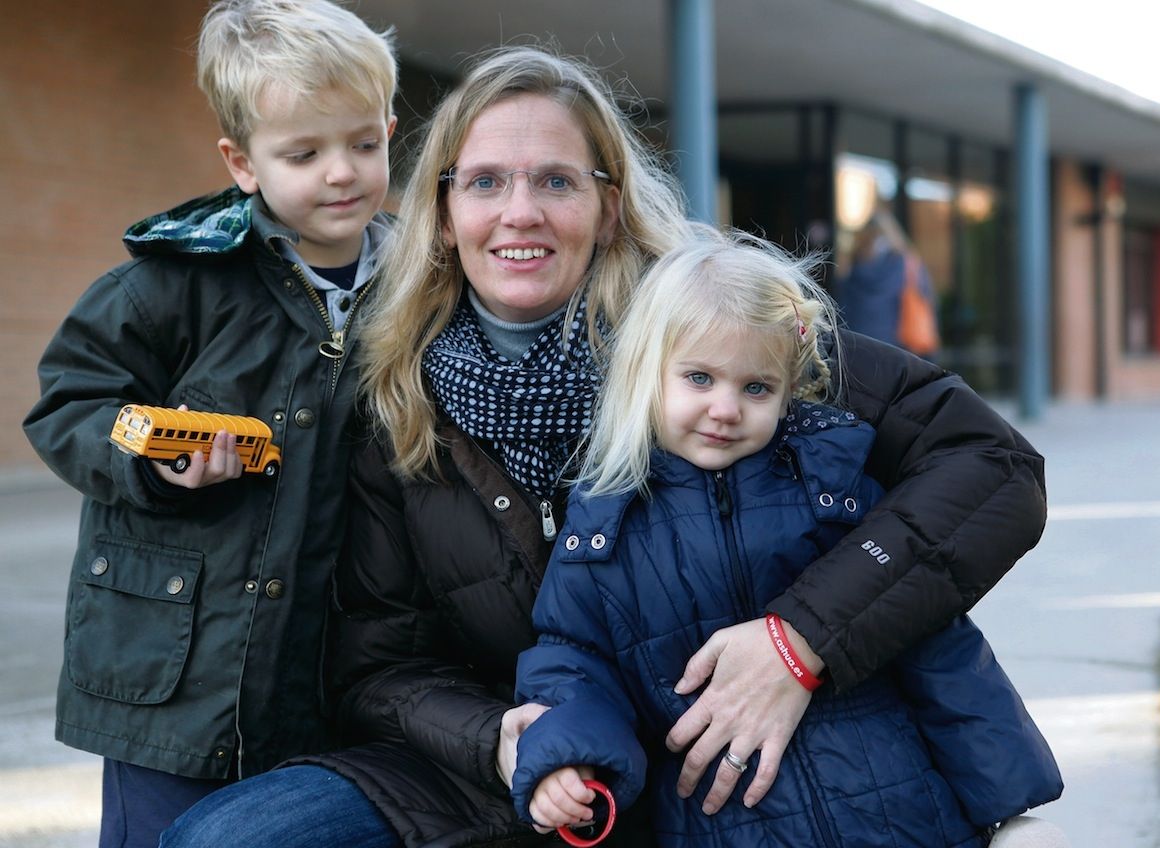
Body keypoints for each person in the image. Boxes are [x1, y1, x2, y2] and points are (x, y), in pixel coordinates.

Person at [162, 44, 1047, 848]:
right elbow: (379, 665)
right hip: (519, 761)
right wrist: (497, 740)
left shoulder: (719, 334)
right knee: (225, 842)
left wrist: (801, 638)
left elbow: (993, 468)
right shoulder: (397, 395)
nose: (520, 213)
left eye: (555, 181)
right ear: (443, 211)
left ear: (608, 206)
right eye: (485, 182)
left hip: (722, 758)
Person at [513, 230, 1062, 847]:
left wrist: (1008, 807)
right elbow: (574, 663)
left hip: (901, 815)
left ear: (788, 391)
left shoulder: (832, 489)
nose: (726, 409)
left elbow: (940, 649)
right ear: (646, 373)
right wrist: (567, 758)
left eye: (756, 388)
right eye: (699, 378)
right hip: (726, 827)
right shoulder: (604, 529)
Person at [20, 1, 397, 845]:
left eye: (363, 144)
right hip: (174, 671)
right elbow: (70, 403)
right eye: (304, 153)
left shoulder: (420, 284)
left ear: (388, 132)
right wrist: (150, 462)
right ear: (243, 162)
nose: (341, 173)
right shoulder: (172, 282)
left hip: (324, 668)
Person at [837, 206, 940, 355]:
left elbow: (842, 309)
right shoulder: (908, 266)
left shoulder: (851, 269)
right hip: (897, 349)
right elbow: (926, 298)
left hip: (857, 347)